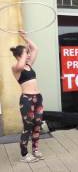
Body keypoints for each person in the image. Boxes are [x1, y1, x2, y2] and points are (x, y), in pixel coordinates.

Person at [10, 31, 44, 163]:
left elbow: (36, 48)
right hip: (26, 100)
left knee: (37, 124)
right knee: (28, 126)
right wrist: (24, 52)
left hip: (38, 98)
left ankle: (35, 150)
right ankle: (24, 155)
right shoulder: (16, 67)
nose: (29, 55)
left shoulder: (29, 66)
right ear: (20, 56)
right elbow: (20, 63)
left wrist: (25, 38)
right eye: (26, 53)